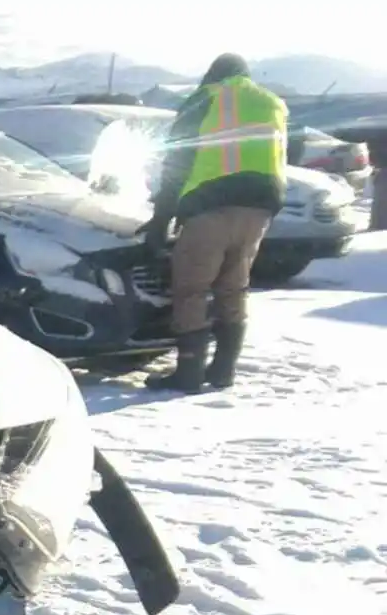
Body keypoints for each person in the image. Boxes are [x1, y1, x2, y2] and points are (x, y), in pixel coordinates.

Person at [143, 54, 288, 392]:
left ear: (212, 74)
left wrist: (161, 216)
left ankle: (189, 374)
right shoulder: (272, 102)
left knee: (192, 287)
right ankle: (223, 370)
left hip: (212, 206)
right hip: (260, 208)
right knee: (233, 286)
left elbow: (178, 159)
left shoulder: (206, 98)